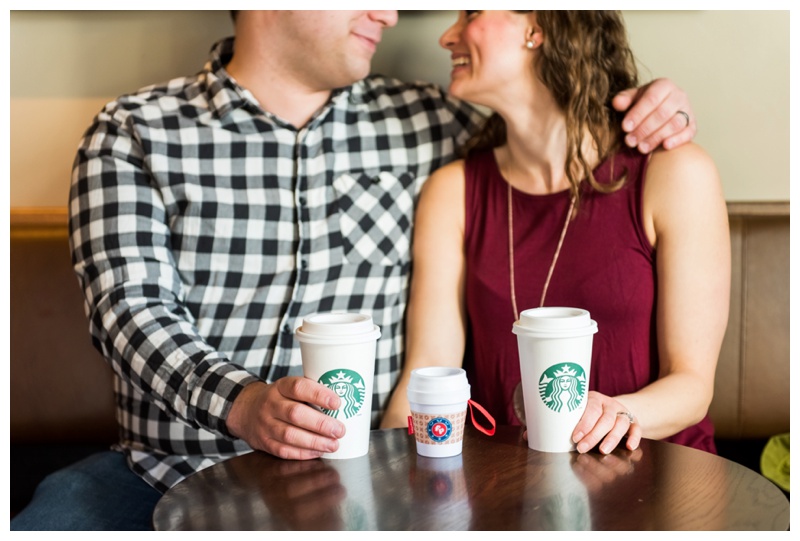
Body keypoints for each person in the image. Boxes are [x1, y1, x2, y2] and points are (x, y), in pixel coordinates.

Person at [11, 10, 698, 531]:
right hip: (171, 470)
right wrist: (244, 403)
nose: (392, 15)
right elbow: (130, 313)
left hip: (360, 487)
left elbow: (552, 130)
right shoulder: (134, 133)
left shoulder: (434, 124)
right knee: (54, 515)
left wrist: (643, 105)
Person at [381, 10, 730, 459]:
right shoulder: (453, 191)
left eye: (471, 13)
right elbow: (427, 373)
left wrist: (610, 415)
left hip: (659, 477)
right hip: (508, 488)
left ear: (537, 28)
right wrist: (378, 477)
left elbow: (692, 386)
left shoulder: (675, 173)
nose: (447, 37)